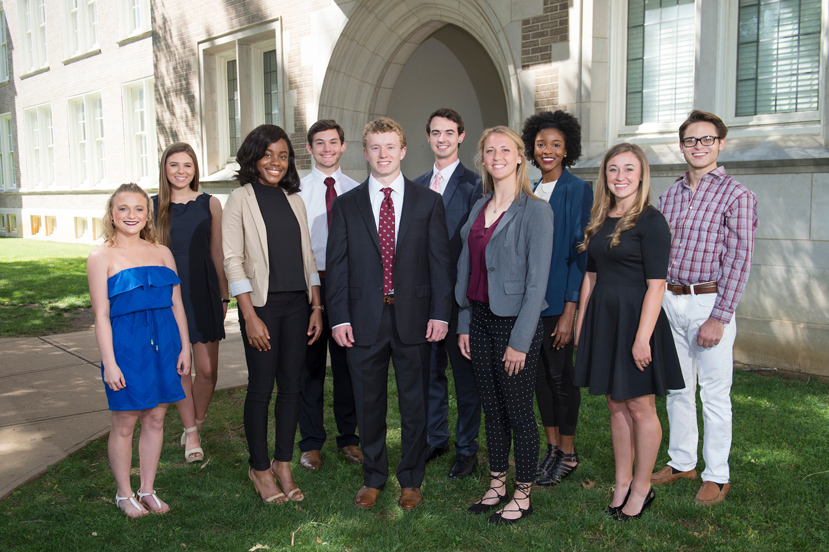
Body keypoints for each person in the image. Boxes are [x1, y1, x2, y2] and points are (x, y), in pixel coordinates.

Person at [326, 117, 452, 511]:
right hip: (364, 319)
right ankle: (374, 476)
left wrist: (441, 313)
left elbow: (439, 263)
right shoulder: (347, 205)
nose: (383, 155)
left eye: (390, 147)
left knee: (415, 404)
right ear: (365, 153)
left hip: (415, 317)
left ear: (403, 150)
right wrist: (339, 317)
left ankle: (411, 478)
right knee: (369, 403)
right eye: (375, 148)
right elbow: (338, 264)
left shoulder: (427, 201)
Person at [652, 110, 758, 506]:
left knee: (714, 393)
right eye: (691, 141)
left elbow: (739, 260)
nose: (699, 147)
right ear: (681, 146)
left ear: (721, 143)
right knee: (677, 388)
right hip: (670, 300)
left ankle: (717, 475)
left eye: (707, 140)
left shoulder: (737, 195)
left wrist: (719, 316)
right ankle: (682, 463)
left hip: (709, 301)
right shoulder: (669, 195)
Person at [573, 143, 684, 521]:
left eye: (628, 170)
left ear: (641, 175)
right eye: (613, 170)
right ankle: (621, 483)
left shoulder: (651, 221)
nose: (620, 177)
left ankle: (642, 487)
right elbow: (591, 275)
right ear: (605, 175)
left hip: (637, 320)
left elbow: (657, 285)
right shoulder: (600, 217)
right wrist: (582, 323)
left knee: (639, 406)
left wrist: (642, 338)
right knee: (614, 404)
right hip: (604, 319)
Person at [456, 126, 553, 525]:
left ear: (519, 157)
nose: (497, 155)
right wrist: (464, 321)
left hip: (515, 325)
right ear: (484, 159)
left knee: (517, 411)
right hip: (478, 320)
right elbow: (466, 268)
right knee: (491, 410)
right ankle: (497, 483)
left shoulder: (536, 210)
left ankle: (523, 493)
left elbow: (537, 281)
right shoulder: (478, 206)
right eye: (490, 150)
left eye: (505, 149)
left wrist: (520, 341)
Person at [223, 124, 323, 504]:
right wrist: (248, 315)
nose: (275, 162)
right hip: (262, 306)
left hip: (298, 305)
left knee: (292, 387)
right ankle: (260, 468)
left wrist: (316, 306)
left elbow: (308, 258)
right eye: (268, 154)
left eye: (282, 155)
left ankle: (284, 463)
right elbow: (232, 260)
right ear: (253, 157)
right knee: (262, 388)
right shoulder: (240, 199)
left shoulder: (294, 199)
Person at [87, 183, 191, 517]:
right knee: (125, 422)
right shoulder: (100, 256)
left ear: (148, 214)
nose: (131, 215)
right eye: (123, 208)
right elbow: (101, 315)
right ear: (111, 213)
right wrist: (110, 362)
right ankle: (123, 494)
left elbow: (177, 305)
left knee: (157, 418)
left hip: (165, 342)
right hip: (126, 347)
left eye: (138, 209)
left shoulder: (162, 253)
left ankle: (147, 489)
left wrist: (185, 346)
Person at [521, 110, 593, 487]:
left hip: (557, 304)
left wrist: (569, 310)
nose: (547, 150)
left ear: (567, 150)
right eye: (541, 144)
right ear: (532, 147)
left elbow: (580, 252)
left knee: (561, 378)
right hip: (529, 305)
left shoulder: (578, 189)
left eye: (556, 145)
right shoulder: (529, 188)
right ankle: (551, 448)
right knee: (538, 381)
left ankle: (569, 452)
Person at [413, 108, 483, 479]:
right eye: (435, 132)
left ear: (461, 136)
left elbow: (475, 248)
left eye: (449, 132)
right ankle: (435, 437)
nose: (442, 138)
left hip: (459, 298)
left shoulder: (476, 186)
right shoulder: (417, 183)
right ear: (428, 137)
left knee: (465, 377)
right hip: (423, 299)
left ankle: (467, 448)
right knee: (429, 374)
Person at [153, 143, 229, 464]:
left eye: (187, 165)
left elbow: (217, 253)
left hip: (204, 291)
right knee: (181, 367)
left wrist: (225, 296)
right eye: (174, 165)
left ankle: (194, 424)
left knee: (208, 371)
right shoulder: (152, 205)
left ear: (195, 169)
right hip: (169, 295)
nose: (181, 171)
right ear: (165, 169)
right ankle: (192, 435)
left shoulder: (210, 204)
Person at [297, 119, 362, 470]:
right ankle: (310, 441)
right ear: (309, 148)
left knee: (347, 364)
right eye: (319, 143)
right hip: (309, 284)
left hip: (346, 285)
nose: (326, 148)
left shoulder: (356, 190)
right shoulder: (296, 191)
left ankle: (349, 438)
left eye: (332, 142)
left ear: (343, 146)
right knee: (310, 367)